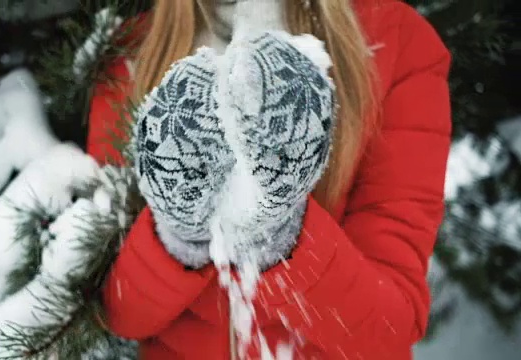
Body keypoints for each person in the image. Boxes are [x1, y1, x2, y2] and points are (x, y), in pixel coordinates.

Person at [87, 0, 452, 358]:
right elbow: (116, 315)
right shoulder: (131, 54)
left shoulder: (393, 39)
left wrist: (277, 231)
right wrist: (179, 231)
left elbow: (389, 330)